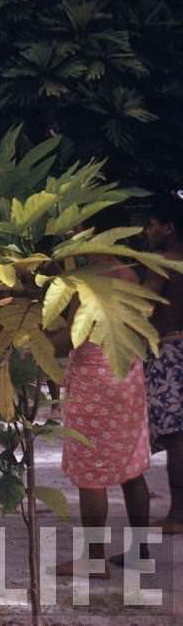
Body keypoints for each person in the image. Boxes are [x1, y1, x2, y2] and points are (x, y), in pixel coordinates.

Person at [52, 208, 151, 575]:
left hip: (95, 377)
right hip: (128, 373)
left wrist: (33, 345)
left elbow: (74, 334)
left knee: (90, 470)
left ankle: (94, 559)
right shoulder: (130, 274)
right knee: (130, 464)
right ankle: (141, 552)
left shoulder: (89, 278)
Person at [145, 193, 183, 534]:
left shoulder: (163, 263)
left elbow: (143, 308)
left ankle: (177, 515)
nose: (147, 230)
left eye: (153, 224)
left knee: (176, 439)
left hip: (170, 351)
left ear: (168, 228)